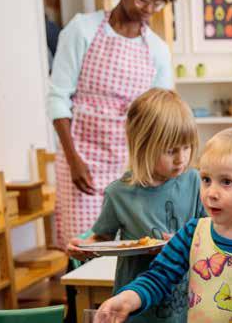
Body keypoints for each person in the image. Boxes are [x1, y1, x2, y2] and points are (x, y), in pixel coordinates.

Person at [47, 0, 189, 248]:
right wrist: (74, 161)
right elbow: (58, 98)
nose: (149, 9)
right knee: (84, 248)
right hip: (82, 161)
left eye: (157, 2)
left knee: (134, 246)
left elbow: (161, 114)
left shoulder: (157, 51)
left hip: (133, 166)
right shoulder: (82, 30)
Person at [94, 126, 232, 323]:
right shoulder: (193, 233)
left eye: (226, 182)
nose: (211, 192)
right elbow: (159, 276)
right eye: (206, 179)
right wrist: (128, 299)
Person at [65, 88, 203, 322]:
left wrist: (187, 240)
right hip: (134, 298)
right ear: (142, 145)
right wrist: (85, 247)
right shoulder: (119, 193)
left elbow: (211, 229)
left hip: (184, 296)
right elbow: (102, 237)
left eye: (187, 147)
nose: (181, 158)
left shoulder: (195, 182)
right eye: (170, 151)